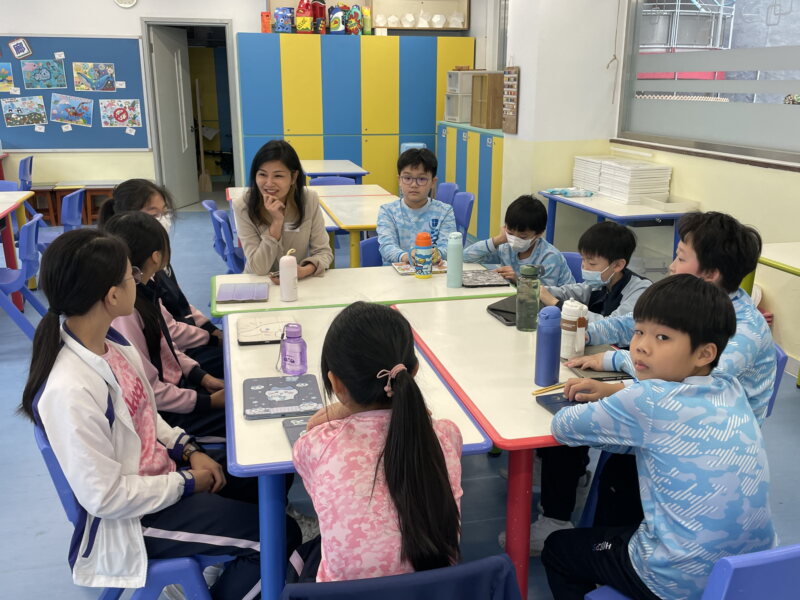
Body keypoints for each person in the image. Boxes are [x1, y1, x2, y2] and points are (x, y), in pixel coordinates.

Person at [18, 229, 300, 599]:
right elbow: (106, 498)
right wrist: (187, 482)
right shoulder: (69, 389)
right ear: (112, 295)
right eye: (130, 276)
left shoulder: (112, 344)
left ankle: (232, 563)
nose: (137, 281)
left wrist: (190, 450)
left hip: (162, 480)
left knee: (267, 480)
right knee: (279, 537)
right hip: (135, 520)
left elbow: (148, 416)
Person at [542, 275, 775, 600]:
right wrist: (621, 394)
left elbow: (563, 427)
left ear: (704, 353)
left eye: (662, 337)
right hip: (749, 575)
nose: (641, 345)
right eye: (639, 331)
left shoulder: (648, 400)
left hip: (674, 580)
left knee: (558, 548)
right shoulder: (731, 386)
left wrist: (614, 401)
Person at [289, 302, 463, 582]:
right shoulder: (446, 435)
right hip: (437, 590)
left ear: (335, 383)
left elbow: (311, 429)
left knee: (305, 553)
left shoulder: (317, 445)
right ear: (414, 371)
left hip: (345, 594)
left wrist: (345, 408)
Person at [103, 212, 226, 440]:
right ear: (156, 256)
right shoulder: (127, 312)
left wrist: (201, 377)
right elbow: (149, 391)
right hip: (165, 414)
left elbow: (167, 346)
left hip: (177, 390)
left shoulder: (147, 287)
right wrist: (206, 402)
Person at [99, 178, 224, 378]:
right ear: (130, 218)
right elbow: (166, 336)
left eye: (165, 212)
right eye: (154, 214)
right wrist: (211, 339)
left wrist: (211, 330)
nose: (164, 220)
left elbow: (182, 305)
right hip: (179, 353)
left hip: (181, 350)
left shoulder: (154, 262)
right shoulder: (133, 287)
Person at [234, 140, 333, 278]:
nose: (269, 183)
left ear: (293, 177)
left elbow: (323, 252)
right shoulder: (243, 206)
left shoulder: (308, 200)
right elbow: (259, 268)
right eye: (262, 174)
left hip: (297, 281)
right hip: (258, 282)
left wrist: (304, 271)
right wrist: (276, 223)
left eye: (278, 176)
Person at [539, 221, 651, 320]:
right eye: (583, 260)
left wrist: (556, 304)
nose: (584, 267)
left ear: (617, 265)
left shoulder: (641, 292)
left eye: (592, 263)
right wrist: (538, 290)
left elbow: (610, 326)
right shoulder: (601, 282)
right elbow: (569, 292)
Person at [464, 194, 574, 286]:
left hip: (560, 304)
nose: (514, 240)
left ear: (539, 234)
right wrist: (497, 240)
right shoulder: (506, 247)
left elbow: (545, 296)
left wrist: (518, 281)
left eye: (522, 237)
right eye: (510, 233)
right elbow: (466, 257)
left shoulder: (549, 257)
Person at [376, 148, 456, 266]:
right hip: (395, 274)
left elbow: (448, 246)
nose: (414, 185)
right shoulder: (388, 211)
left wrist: (438, 253)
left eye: (422, 179)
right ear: (399, 180)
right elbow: (386, 246)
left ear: (433, 182)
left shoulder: (445, 211)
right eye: (407, 178)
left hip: (432, 272)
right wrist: (405, 256)